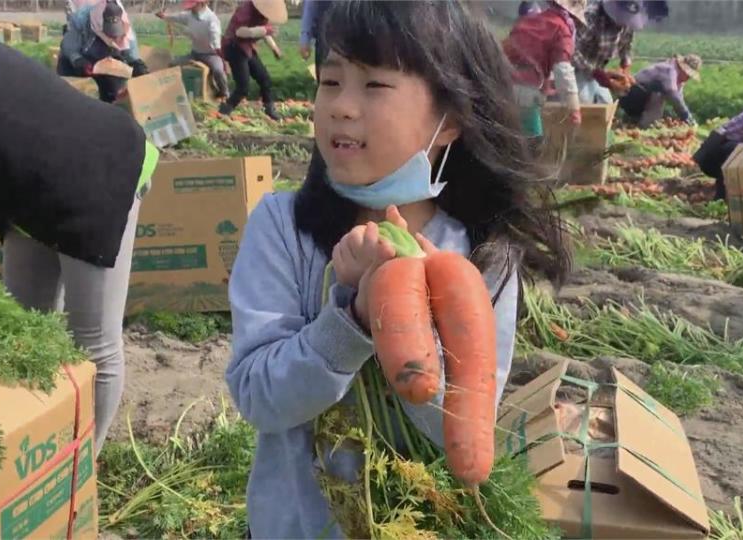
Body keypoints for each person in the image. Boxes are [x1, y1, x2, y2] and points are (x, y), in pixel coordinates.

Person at [224, 1, 570, 537]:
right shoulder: (281, 226)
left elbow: (460, 431)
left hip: (418, 523)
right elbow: (258, 399)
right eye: (330, 81)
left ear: (450, 118)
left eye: (374, 86)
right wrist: (356, 318)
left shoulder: (481, 255)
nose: (341, 106)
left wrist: (407, 310)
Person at [0, 30, 160, 453]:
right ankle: (39, 445)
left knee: (94, 343)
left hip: (96, 172)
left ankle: (81, 474)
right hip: (25, 188)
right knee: (23, 329)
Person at [503, 0, 588, 138]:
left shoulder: (532, 21)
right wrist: (574, 108)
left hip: (500, 80)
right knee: (532, 140)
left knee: (507, 133)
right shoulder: (562, 30)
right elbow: (563, 70)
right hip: (525, 89)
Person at [572, 0, 667, 104]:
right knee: (582, 101)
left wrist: (625, 69)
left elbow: (627, 45)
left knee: (605, 102)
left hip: (597, 67)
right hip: (575, 69)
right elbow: (572, 51)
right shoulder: (590, 17)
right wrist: (597, 74)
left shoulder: (628, 22)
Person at [58, 0, 149, 103]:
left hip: (105, 64)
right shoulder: (82, 19)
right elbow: (69, 46)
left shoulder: (125, 24)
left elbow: (130, 49)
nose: (111, 37)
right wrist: (78, 60)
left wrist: (136, 63)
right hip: (78, 62)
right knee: (71, 96)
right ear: (99, 24)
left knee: (115, 93)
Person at [219, 0, 288, 120]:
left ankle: (269, 109)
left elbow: (264, 31)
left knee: (264, 78)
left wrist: (274, 48)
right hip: (234, 47)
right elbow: (240, 32)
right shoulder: (246, 9)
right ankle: (224, 111)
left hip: (247, 47)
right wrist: (264, 30)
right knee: (243, 87)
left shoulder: (263, 13)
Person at [157, 0, 228, 99]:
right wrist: (164, 16)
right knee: (173, 64)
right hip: (195, 54)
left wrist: (221, 57)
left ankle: (224, 93)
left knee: (218, 71)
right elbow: (177, 17)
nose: (190, 8)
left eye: (192, 6)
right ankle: (174, 91)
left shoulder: (212, 20)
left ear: (202, 3)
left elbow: (216, 39)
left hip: (211, 54)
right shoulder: (190, 16)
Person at [619, 53, 701, 128]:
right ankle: (642, 127)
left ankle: (636, 125)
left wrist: (688, 119)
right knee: (659, 96)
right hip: (632, 94)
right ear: (683, 69)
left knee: (660, 96)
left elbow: (679, 99)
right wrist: (686, 115)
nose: (687, 79)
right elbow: (673, 94)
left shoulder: (679, 79)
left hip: (644, 97)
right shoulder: (669, 70)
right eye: (688, 75)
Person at [299, 0, 333, 78]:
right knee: (326, 77)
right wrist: (305, 38)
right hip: (325, 36)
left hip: (356, 36)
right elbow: (310, 4)